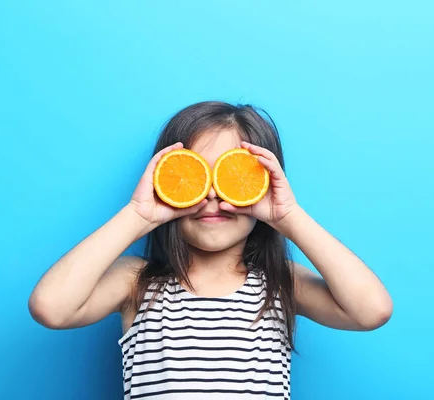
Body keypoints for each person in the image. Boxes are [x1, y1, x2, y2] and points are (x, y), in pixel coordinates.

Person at [28, 101, 393, 399]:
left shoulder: (281, 284)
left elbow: (372, 311)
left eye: (234, 177)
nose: (214, 196)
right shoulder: (137, 283)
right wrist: (139, 215)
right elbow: (51, 309)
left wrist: (289, 216)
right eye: (197, 176)